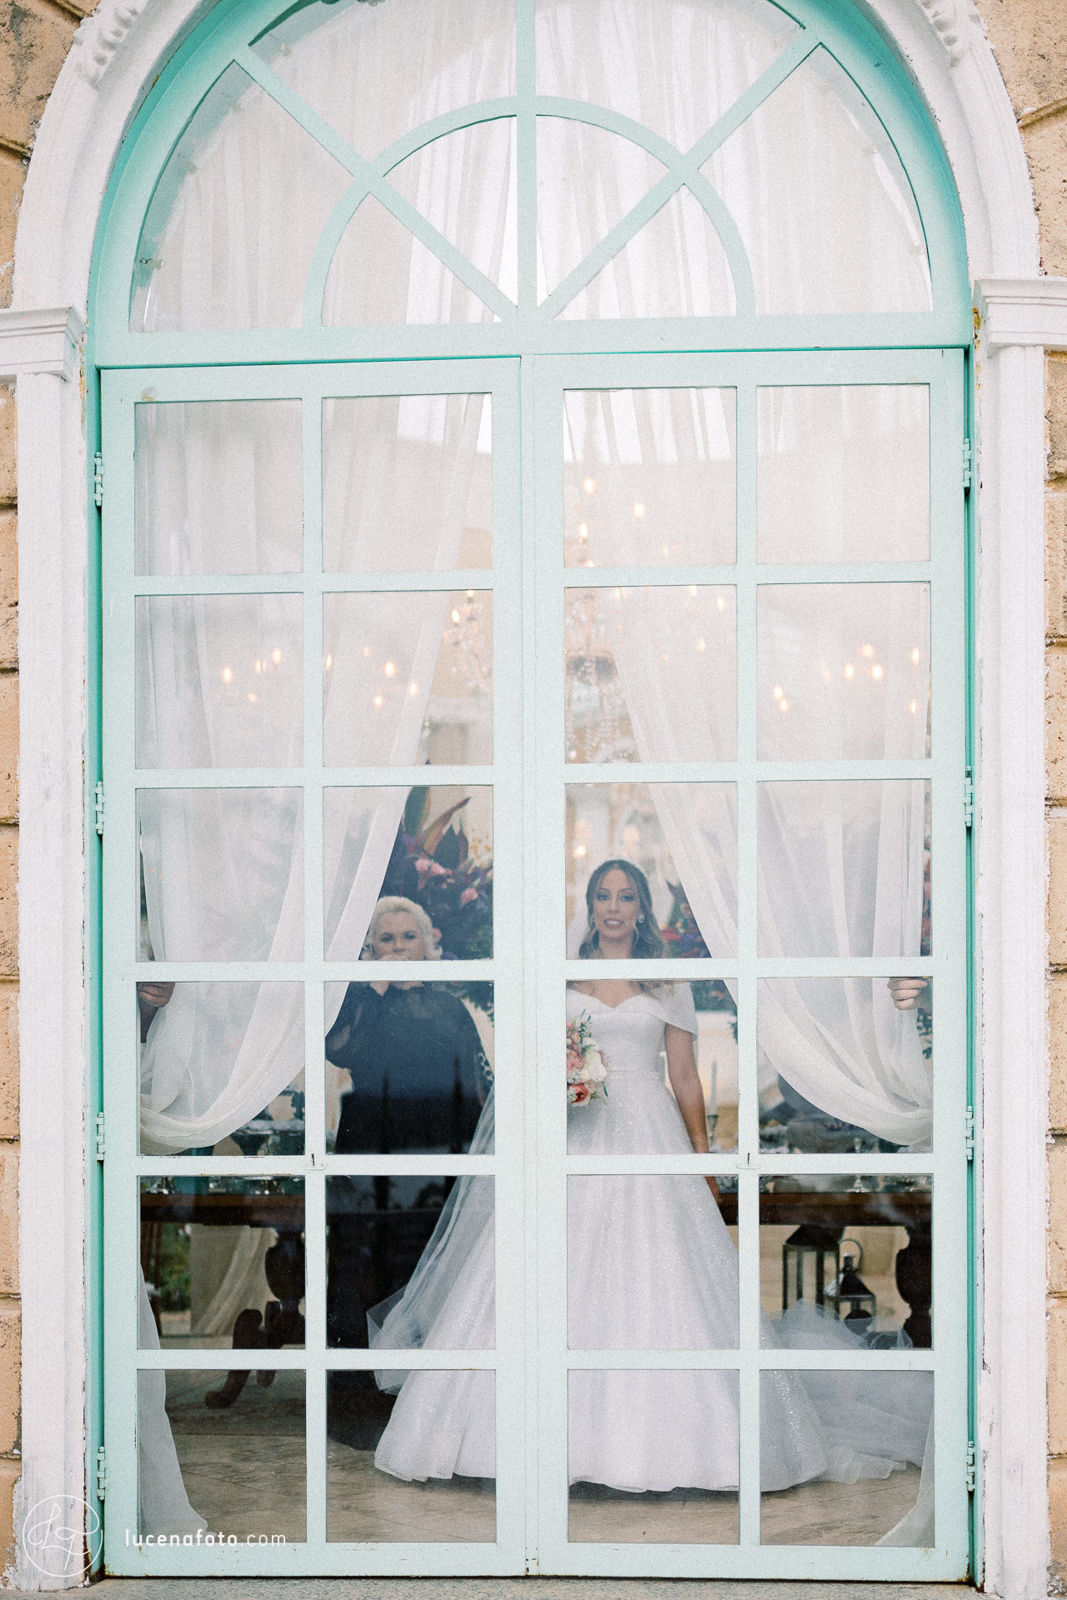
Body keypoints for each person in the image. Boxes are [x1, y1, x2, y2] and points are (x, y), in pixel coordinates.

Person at [364, 861, 931, 1508]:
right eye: (602, 896)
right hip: (574, 1134)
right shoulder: (563, 973)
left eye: (624, 897)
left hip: (648, 1131)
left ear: (641, 907)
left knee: (661, 1274)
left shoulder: (666, 981)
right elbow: (533, 1063)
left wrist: (699, 1156)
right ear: (589, 904)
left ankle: (676, 1443)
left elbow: (684, 1076)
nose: (612, 907)